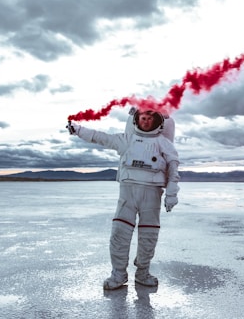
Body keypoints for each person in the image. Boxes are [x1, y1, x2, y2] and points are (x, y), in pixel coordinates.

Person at [68, 109, 180, 290]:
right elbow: (100, 137)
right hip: (128, 192)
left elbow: (173, 167)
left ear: (158, 122)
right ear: (137, 119)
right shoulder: (126, 140)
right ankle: (118, 274)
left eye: (150, 118)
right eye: (143, 118)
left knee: (149, 236)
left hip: (152, 194)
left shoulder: (163, 143)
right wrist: (78, 129)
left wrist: (172, 192)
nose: (146, 121)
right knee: (119, 234)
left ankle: (143, 272)